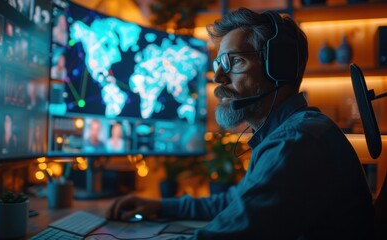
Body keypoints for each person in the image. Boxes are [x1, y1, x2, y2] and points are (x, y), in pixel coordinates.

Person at [106, 8, 375, 239]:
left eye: (234, 61)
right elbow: (237, 202)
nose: (218, 77)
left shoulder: (295, 142)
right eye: (218, 63)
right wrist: (159, 206)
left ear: (276, 67)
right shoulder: (286, 132)